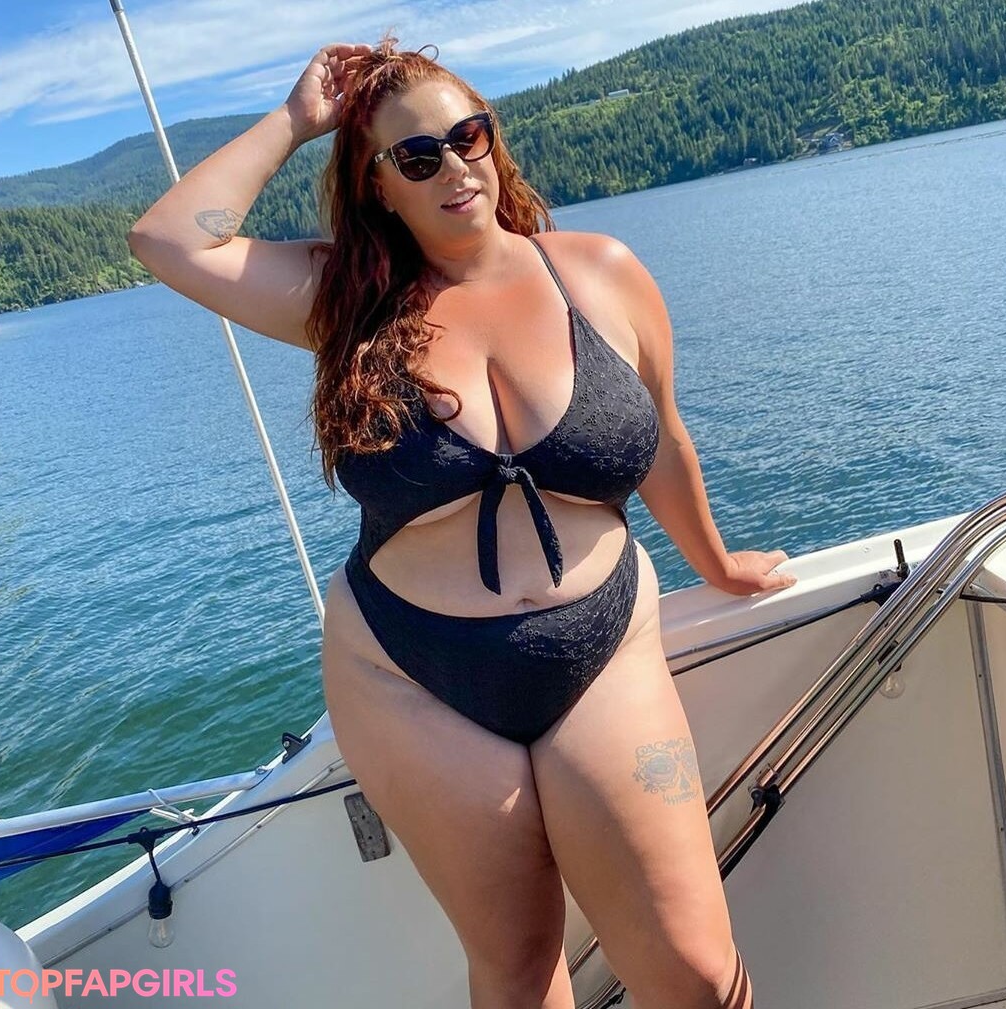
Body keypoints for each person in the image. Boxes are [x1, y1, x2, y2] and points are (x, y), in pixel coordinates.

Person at [128, 36, 796, 1009]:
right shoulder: (342, 303)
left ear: (493, 138)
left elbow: (663, 439)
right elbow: (169, 240)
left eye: (467, 135)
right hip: (409, 675)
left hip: (602, 644)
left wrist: (719, 561)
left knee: (696, 971)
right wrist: (296, 120)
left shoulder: (602, 273)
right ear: (377, 185)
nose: (453, 166)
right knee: (519, 970)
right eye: (416, 155)